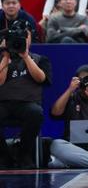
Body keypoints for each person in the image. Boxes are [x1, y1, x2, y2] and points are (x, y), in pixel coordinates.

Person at [0, 28, 51, 169]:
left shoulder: (40, 59)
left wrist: (26, 57)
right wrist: (5, 58)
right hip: (3, 103)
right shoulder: (2, 58)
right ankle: (4, 156)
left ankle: (24, 154)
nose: (19, 40)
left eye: (23, 37)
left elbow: (41, 78)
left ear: (29, 39)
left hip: (27, 104)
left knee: (35, 113)